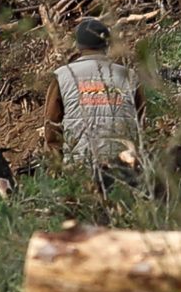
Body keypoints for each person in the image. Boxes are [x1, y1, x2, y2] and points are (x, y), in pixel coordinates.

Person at [45, 18, 145, 179]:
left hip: (79, 169)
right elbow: (142, 124)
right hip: (123, 168)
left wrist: (55, 170)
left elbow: (52, 129)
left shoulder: (62, 76)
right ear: (107, 45)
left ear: (78, 46)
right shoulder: (129, 76)